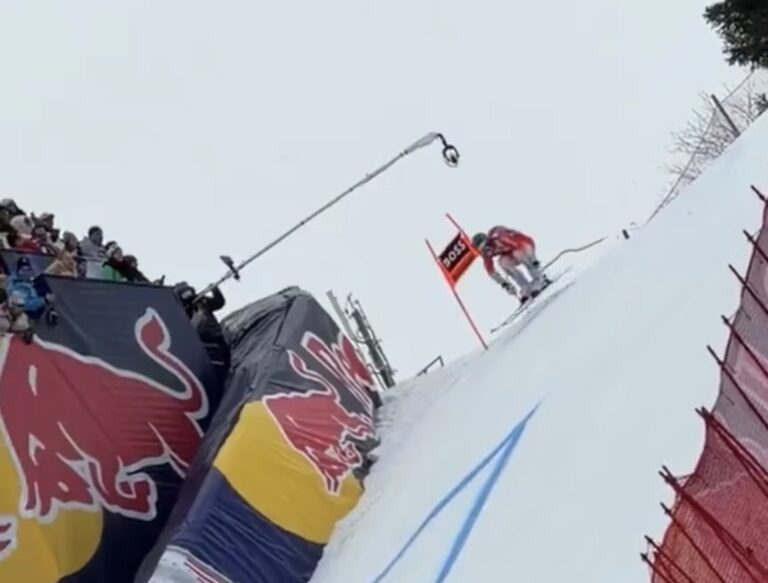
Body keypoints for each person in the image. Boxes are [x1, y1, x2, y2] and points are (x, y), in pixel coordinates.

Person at [472, 226, 549, 303]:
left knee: (518, 254)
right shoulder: (486, 252)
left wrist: (534, 260)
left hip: (525, 245)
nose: (487, 250)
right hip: (511, 253)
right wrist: (504, 284)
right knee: (502, 262)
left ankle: (539, 279)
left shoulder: (499, 238)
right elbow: (490, 271)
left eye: (486, 246)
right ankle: (525, 286)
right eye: (483, 249)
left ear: (488, 240)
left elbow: (520, 244)